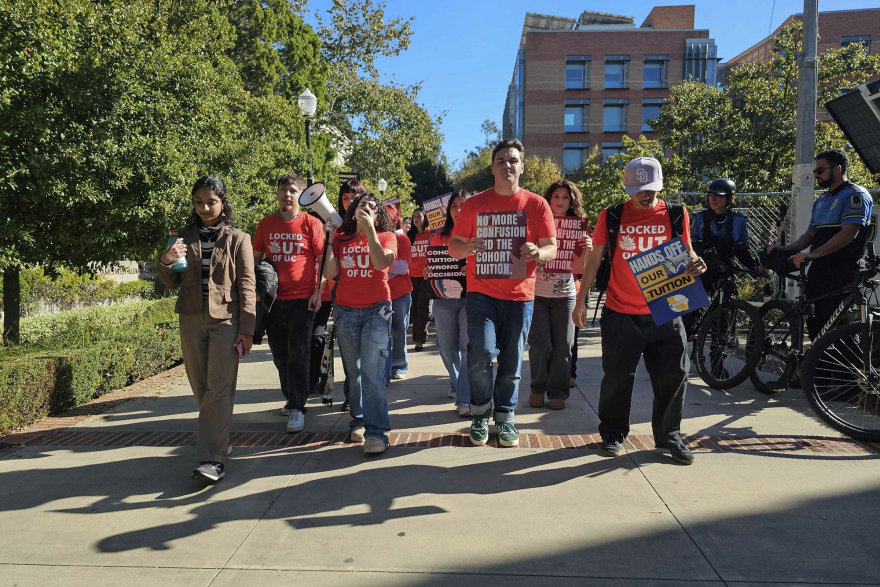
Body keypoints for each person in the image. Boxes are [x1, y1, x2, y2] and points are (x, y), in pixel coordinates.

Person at [572, 157, 706, 465]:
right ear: (627, 187)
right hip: (621, 312)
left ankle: (670, 435)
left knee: (674, 376)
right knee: (618, 378)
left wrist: (696, 261)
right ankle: (612, 435)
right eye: (638, 189)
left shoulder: (676, 214)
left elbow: (687, 251)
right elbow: (593, 260)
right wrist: (582, 300)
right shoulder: (613, 215)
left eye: (650, 189)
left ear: (660, 185)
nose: (645, 195)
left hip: (667, 309)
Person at [448, 139, 557, 447]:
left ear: (521, 167)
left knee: (510, 361)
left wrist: (539, 251)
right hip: (482, 294)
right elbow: (453, 246)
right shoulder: (474, 204)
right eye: (501, 161)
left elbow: (552, 247)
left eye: (513, 160)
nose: (507, 165)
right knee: (480, 353)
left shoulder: (536, 204)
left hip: (520, 296)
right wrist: (467, 247)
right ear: (492, 167)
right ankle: (481, 413)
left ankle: (506, 417)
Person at [157, 175, 256, 482]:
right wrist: (165, 259)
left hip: (226, 320)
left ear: (222, 202)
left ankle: (211, 460)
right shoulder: (181, 236)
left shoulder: (239, 238)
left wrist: (248, 328)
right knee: (203, 390)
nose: (204, 208)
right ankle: (218, 439)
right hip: (190, 317)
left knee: (218, 390)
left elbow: (248, 285)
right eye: (198, 202)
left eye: (211, 202)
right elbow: (168, 281)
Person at [769, 149, 873, 340]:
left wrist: (812, 254)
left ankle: (847, 370)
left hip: (844, 271)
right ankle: (819, 370)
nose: (816, 175)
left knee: (841, 327)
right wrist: (787, 249)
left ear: (838, 169)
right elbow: (810, 235)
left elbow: (849, 234)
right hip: (820, 270)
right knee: (816, 323)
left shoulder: (855, 196)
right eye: (816, 171)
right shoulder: (821, 201)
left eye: (821, 170)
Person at [324, 193, 397, 455]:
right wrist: (330, 240)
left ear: (379, 216)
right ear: (353, 210)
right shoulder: (342, 238)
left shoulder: (388, 237)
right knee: (353, 372)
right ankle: (358, 419)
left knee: (372, 371)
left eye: (373, 208)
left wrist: (370, 232)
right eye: (362, 205)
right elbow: (330, 273)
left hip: (377, 310)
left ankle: (376, 431)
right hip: (345, 310)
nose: (366, 208)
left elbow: (379, 263)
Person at [252, 174, 325, 434]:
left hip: (302, 300)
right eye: (283, 189)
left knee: (299, 353)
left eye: (293, 190)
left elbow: (323, 260)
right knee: (280, 355)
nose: (287, 194)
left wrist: (319, 291)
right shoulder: (265, 224)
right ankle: (291, 396)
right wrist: (255, 293)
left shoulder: (311, 223)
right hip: (272, 303)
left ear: (300, 195)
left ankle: (297, 406)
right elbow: (255, 260)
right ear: (277, 193)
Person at [528, 180, 591, 411]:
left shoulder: (579, 228)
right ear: (549, 198)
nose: (561, 201)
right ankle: (537, 387)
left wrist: (588, 248)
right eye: (556, 196)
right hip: (536, 293)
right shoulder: (536, 222)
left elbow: (584, 267)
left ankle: (557, 392)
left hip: (566, 294)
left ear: (572, 201)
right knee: (541, 344)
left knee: (564, 344)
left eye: (566, 197)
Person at [309, 179, 367, 404]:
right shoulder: (335, 227)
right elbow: (326, 263)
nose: (349, 201)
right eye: (345, 198)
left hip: (367, 292)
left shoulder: (371, 222)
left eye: (354, 197)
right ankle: (353, 395)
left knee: (366, 351)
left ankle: (361, 396)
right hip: (341, 294)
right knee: (349, 349)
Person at [429, 190, 472, 416]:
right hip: (444, 298)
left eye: (463, 205)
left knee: (467, 346)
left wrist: (472, 266)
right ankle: (456, 382)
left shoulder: (478, 233)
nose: (458, 210)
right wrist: (430, 270)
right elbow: (435, 266)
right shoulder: (439, 237)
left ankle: (464, 397)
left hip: (470, 296)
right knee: (446, 346)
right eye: (454, 206)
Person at [385, 205, 413, 382]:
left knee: (399, 331)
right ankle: (385, 367)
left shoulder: (402, 240)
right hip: (381, 295)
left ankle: (399, 365)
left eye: (389, 218)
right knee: (382, 333)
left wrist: (381, 265)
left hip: (400, 295)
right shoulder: (374, 238)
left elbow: (403, 267)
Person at [408, 208, 432, 351]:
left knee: (423, 306)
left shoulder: (431, 233)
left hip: (426, 275)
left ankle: (419, 339)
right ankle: (421, 331)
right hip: (412, 275)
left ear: (425, 218)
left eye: (419, 216)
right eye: (414, 216)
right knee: (414, 306)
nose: (416, 219)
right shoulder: (409, 235)